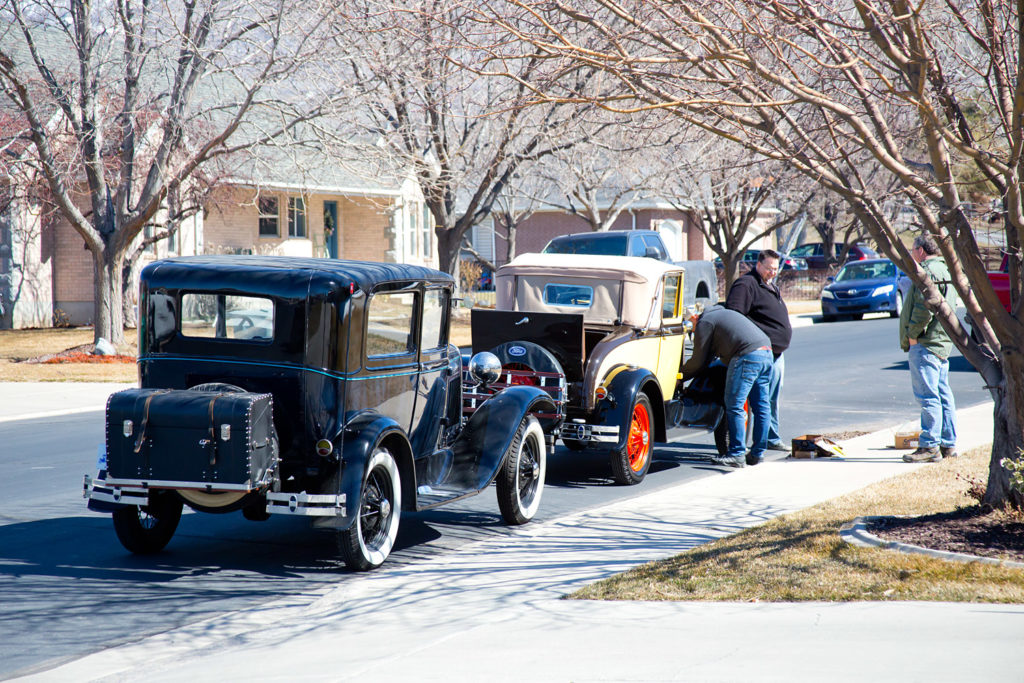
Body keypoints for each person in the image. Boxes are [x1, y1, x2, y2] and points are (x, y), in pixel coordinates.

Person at [681, 304, 773, 467]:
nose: (693, 331)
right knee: (761, 407)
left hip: (747, 355)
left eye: (691, 327)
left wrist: (680, 377)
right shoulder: (721, 314)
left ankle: (737, 454)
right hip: (766, 351)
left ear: (694, 317)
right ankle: (758, 453)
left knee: (735, 405)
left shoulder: (705, 322)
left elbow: (697, 362)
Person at [900, 234, 959, 463]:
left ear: (921, 250)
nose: (913, 254)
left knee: (928, 396)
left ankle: (929, 445)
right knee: (943, 394)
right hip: (941, 343)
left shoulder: (928, 272)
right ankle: (948, 443)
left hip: (926, 343)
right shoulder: (945, 270)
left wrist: (913, 335)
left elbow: (924, 308)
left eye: (913, 250)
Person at [725, 248, 791, 452]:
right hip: (760, 353)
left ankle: (768, 441)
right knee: (755, 402)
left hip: (777, 354)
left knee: (769, 400)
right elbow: (735, 316)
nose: (773, 272)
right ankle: (744, 447)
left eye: (776, 269)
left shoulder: (770, 285)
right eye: (769, 268)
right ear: (758, 264)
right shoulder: (746, 284)